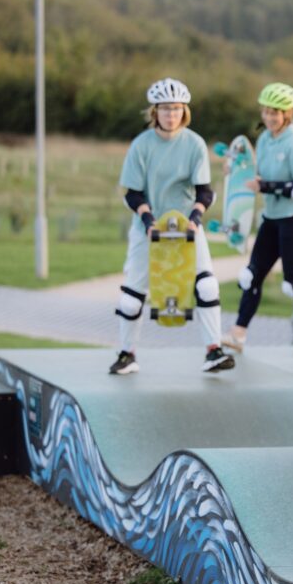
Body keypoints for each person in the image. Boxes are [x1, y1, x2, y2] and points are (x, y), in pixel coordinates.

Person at [111, 77, 234, 375]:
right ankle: (127, 355)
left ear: (184, 111)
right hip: (148, 227)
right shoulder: (141, 145)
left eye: (177, 108)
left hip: (187, 226)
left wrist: (195, 218)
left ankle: (213, 351)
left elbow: (204, 190)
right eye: (165, 109)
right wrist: (148, 220)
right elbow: (132, 193)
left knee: (206, 284)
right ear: (155, 111)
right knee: (130, 298)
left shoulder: (193, 143)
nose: (171, 114)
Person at [221, 83, 293, 356]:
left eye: (276, 113)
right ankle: (238, 334)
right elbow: (256, 173)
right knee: (252, 276)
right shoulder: (265, 138)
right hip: (271, 218)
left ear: (288, 113)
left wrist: (266, 187)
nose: (270, 117)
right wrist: (233, 167)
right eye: (267, 112)